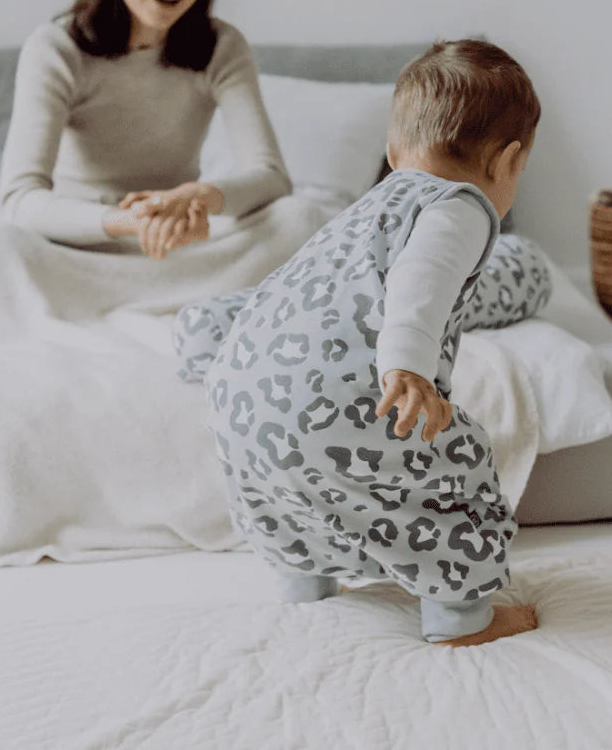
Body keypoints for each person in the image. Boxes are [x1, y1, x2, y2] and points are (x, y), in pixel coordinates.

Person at [205, 39, 541, 647]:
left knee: (294, 485)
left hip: (241, 401)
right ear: (509, 163)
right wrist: (407, 368)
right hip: (350, 399)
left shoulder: (364, 212)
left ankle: (306, 580)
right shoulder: (458, 206)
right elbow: (422, 281)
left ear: (392, 153)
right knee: (457, 469)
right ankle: (461, 617)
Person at [0, 0, 291, 257]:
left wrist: (199, 198)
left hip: (178, 248)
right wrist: (132, 222)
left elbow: (271, 178)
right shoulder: (56, 48)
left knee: (298, 218)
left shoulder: (222, 47)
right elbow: (18, 201)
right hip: (76, 252)